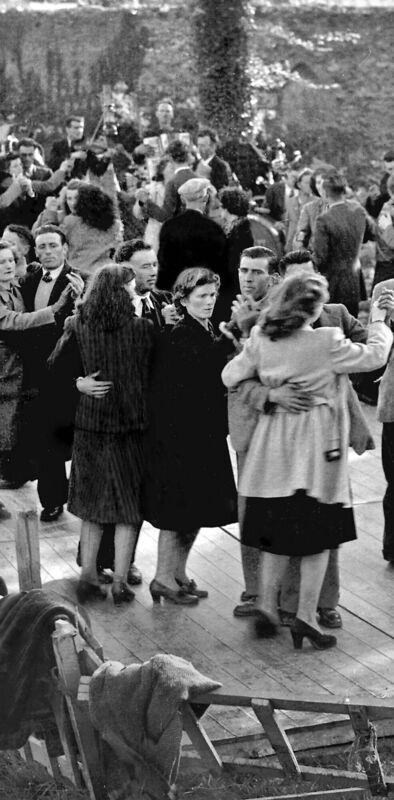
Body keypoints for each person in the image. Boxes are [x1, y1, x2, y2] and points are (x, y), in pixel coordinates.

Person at [222, 272, 392, 650]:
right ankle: (306, 615)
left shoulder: (262, 340)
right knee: (320, 538)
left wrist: (270, 392)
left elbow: (230, 374)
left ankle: (267, 602)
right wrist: (379, 321)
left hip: (273, 454)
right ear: (315, 307)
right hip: (318, 453)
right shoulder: (327, 341)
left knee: (275, 534)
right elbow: (375, 356)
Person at [48, 265, 154, 606]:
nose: (136, 292)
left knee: (92, 508)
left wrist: (77, 383)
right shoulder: (142, 330)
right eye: (132, 287)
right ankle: (121, 581)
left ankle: (88, 576)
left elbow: (52, 368)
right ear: (121, 292)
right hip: (131, 429)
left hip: (91, 427)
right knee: (128, 509)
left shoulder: (78, 326)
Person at [143, 267, 237, 604]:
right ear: (183, 300)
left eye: (213, 295)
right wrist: (230, 338)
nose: (210, 302)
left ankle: (178, 573)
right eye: (202, 296)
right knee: (178, 511)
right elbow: (205, 371)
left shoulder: (203, 327)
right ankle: (163, 578)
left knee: (193, 509)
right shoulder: (183, 333)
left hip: (201, 435)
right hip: (182, 438)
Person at [0, 241, 73, 512]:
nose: (7, 266)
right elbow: (15, 321)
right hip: (6, 373)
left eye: (10, 260)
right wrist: (55, 309)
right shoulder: (16, 287)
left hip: (26, 374)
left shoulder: (20, 283)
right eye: (1, 262)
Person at [19, 224, 84, 522]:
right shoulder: (28, 279)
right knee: (45, 440)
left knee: (69, 437)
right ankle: (53, 499)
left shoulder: (81, 280)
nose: (46, 252)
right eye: (41, 247)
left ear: (65, 248)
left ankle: (82, 499)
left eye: (52, 246)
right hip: (34, 373)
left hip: (68, 372)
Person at [313, 172, 368, 317]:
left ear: (324, 193)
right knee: (352, 324)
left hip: (333, 282)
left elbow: (320, 257)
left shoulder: (323, 220)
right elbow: (371, 233)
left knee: (333, 325)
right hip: (354, 279)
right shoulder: (358, 211)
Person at [157, 178, 227, 292]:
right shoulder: (213, 228)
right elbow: (220, 266)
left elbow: (163, 264)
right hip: (203, 292)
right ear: (206, 198)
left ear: (183, 200)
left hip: (174, 291)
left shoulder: (169, 226)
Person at [60, 183, 123, 274]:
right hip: (104, 272)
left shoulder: (70, 222)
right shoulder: (114, 224)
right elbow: (118, 249)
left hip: (77, 271)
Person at [138, 140, 195, 223]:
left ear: (170, 158)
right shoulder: (201, 178)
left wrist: (146, 201)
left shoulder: (172, 183)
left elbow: (165, 216)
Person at [285, 168, 313, 252]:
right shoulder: (290, 201)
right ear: (299, 184)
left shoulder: (317, 203)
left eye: (312, 183)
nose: (310, 185)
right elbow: (287, 223)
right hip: (290, 248)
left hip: (308, 248)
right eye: (307, 183)